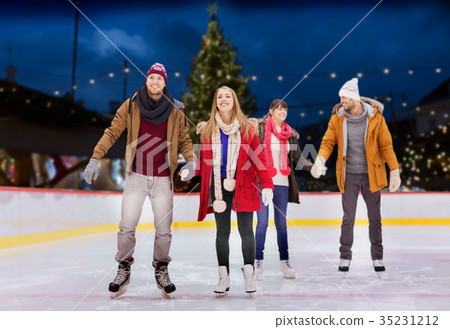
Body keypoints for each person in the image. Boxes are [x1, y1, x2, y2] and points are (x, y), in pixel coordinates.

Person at [83, 63, 196, 298]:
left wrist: (191, 160)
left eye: (160, 79)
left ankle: (162, 270)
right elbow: (112, 131)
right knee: (127, 226)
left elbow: (185, 139)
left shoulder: (176, 109)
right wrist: (95, 158)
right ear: (147, 80)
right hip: (136, 175)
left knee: (164, 230)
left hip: (164, 178)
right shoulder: (132, 104)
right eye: (152, 78)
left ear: (165, 83)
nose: (155, 83)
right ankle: (123, 268)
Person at [311, 78, 401, 272]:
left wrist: (394, 170)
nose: (341, 100)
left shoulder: (376, 117)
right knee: (348, 218)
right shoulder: (338, 117)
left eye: (344, 96)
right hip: (348, 174)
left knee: (375, 217)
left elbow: (386, 146)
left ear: (353, 97)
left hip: (372, 175)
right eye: (340, 97)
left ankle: (377, 257)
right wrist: (320, 160)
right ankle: (345, 256)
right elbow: (327, 142)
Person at [195, 86, 274, 295]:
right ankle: (224, 277)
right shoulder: (208, 130)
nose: (223, 99)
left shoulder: (248, 129)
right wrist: (190, 168)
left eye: (227, 96)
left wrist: (267, 184)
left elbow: (260, 159)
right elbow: (203, 161)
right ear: (216, 102)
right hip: (219, 188)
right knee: (222, 233)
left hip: (243, 186)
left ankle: (249, 276)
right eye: (219, 96)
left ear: (234, 101)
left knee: (246, 232)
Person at [254, 99, 312, 279]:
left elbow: (299, 158)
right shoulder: (260, 129)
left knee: (281, 225)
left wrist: (314, 167)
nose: (282, 112)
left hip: (282, 184)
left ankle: (285, 262)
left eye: (284, 109)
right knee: (262, 223)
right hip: (263, 184)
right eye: (278, 109)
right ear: (270, 111)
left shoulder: (290, 135)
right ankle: (257, 260)